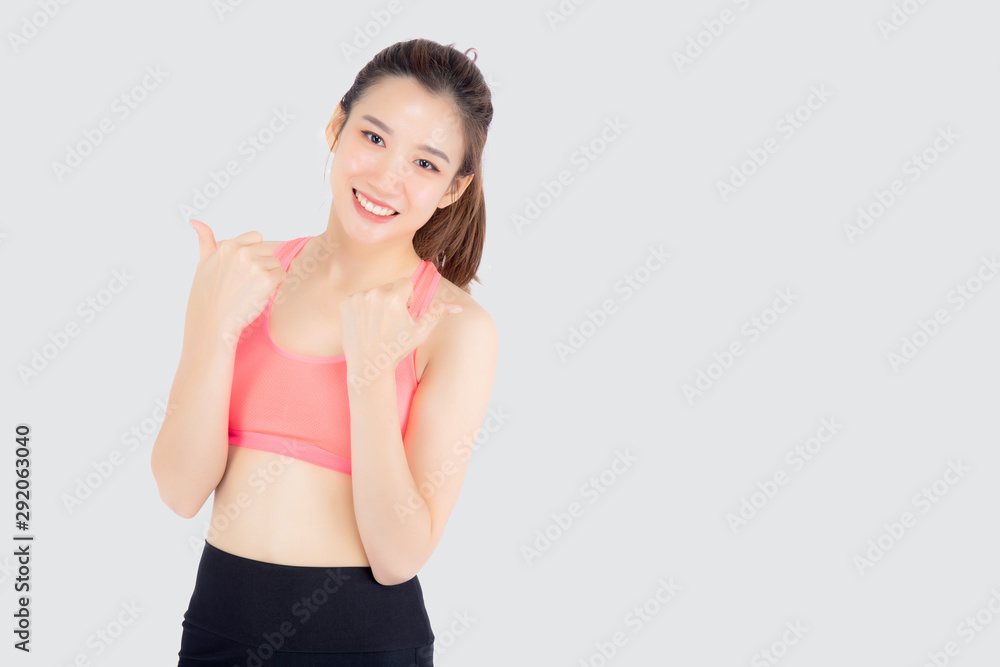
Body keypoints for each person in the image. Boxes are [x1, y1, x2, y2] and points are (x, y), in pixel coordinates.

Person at [151, 38, 498, 666]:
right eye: (374, 137)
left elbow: (398, 557)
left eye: (426, 164)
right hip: (217, 628)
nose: (388, 176)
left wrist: (369, 377)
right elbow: (179, 491)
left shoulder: (452, 326)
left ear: (452, 188)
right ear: (336, 127)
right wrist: (214, 329)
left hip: (365, 640)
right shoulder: (244, 277)